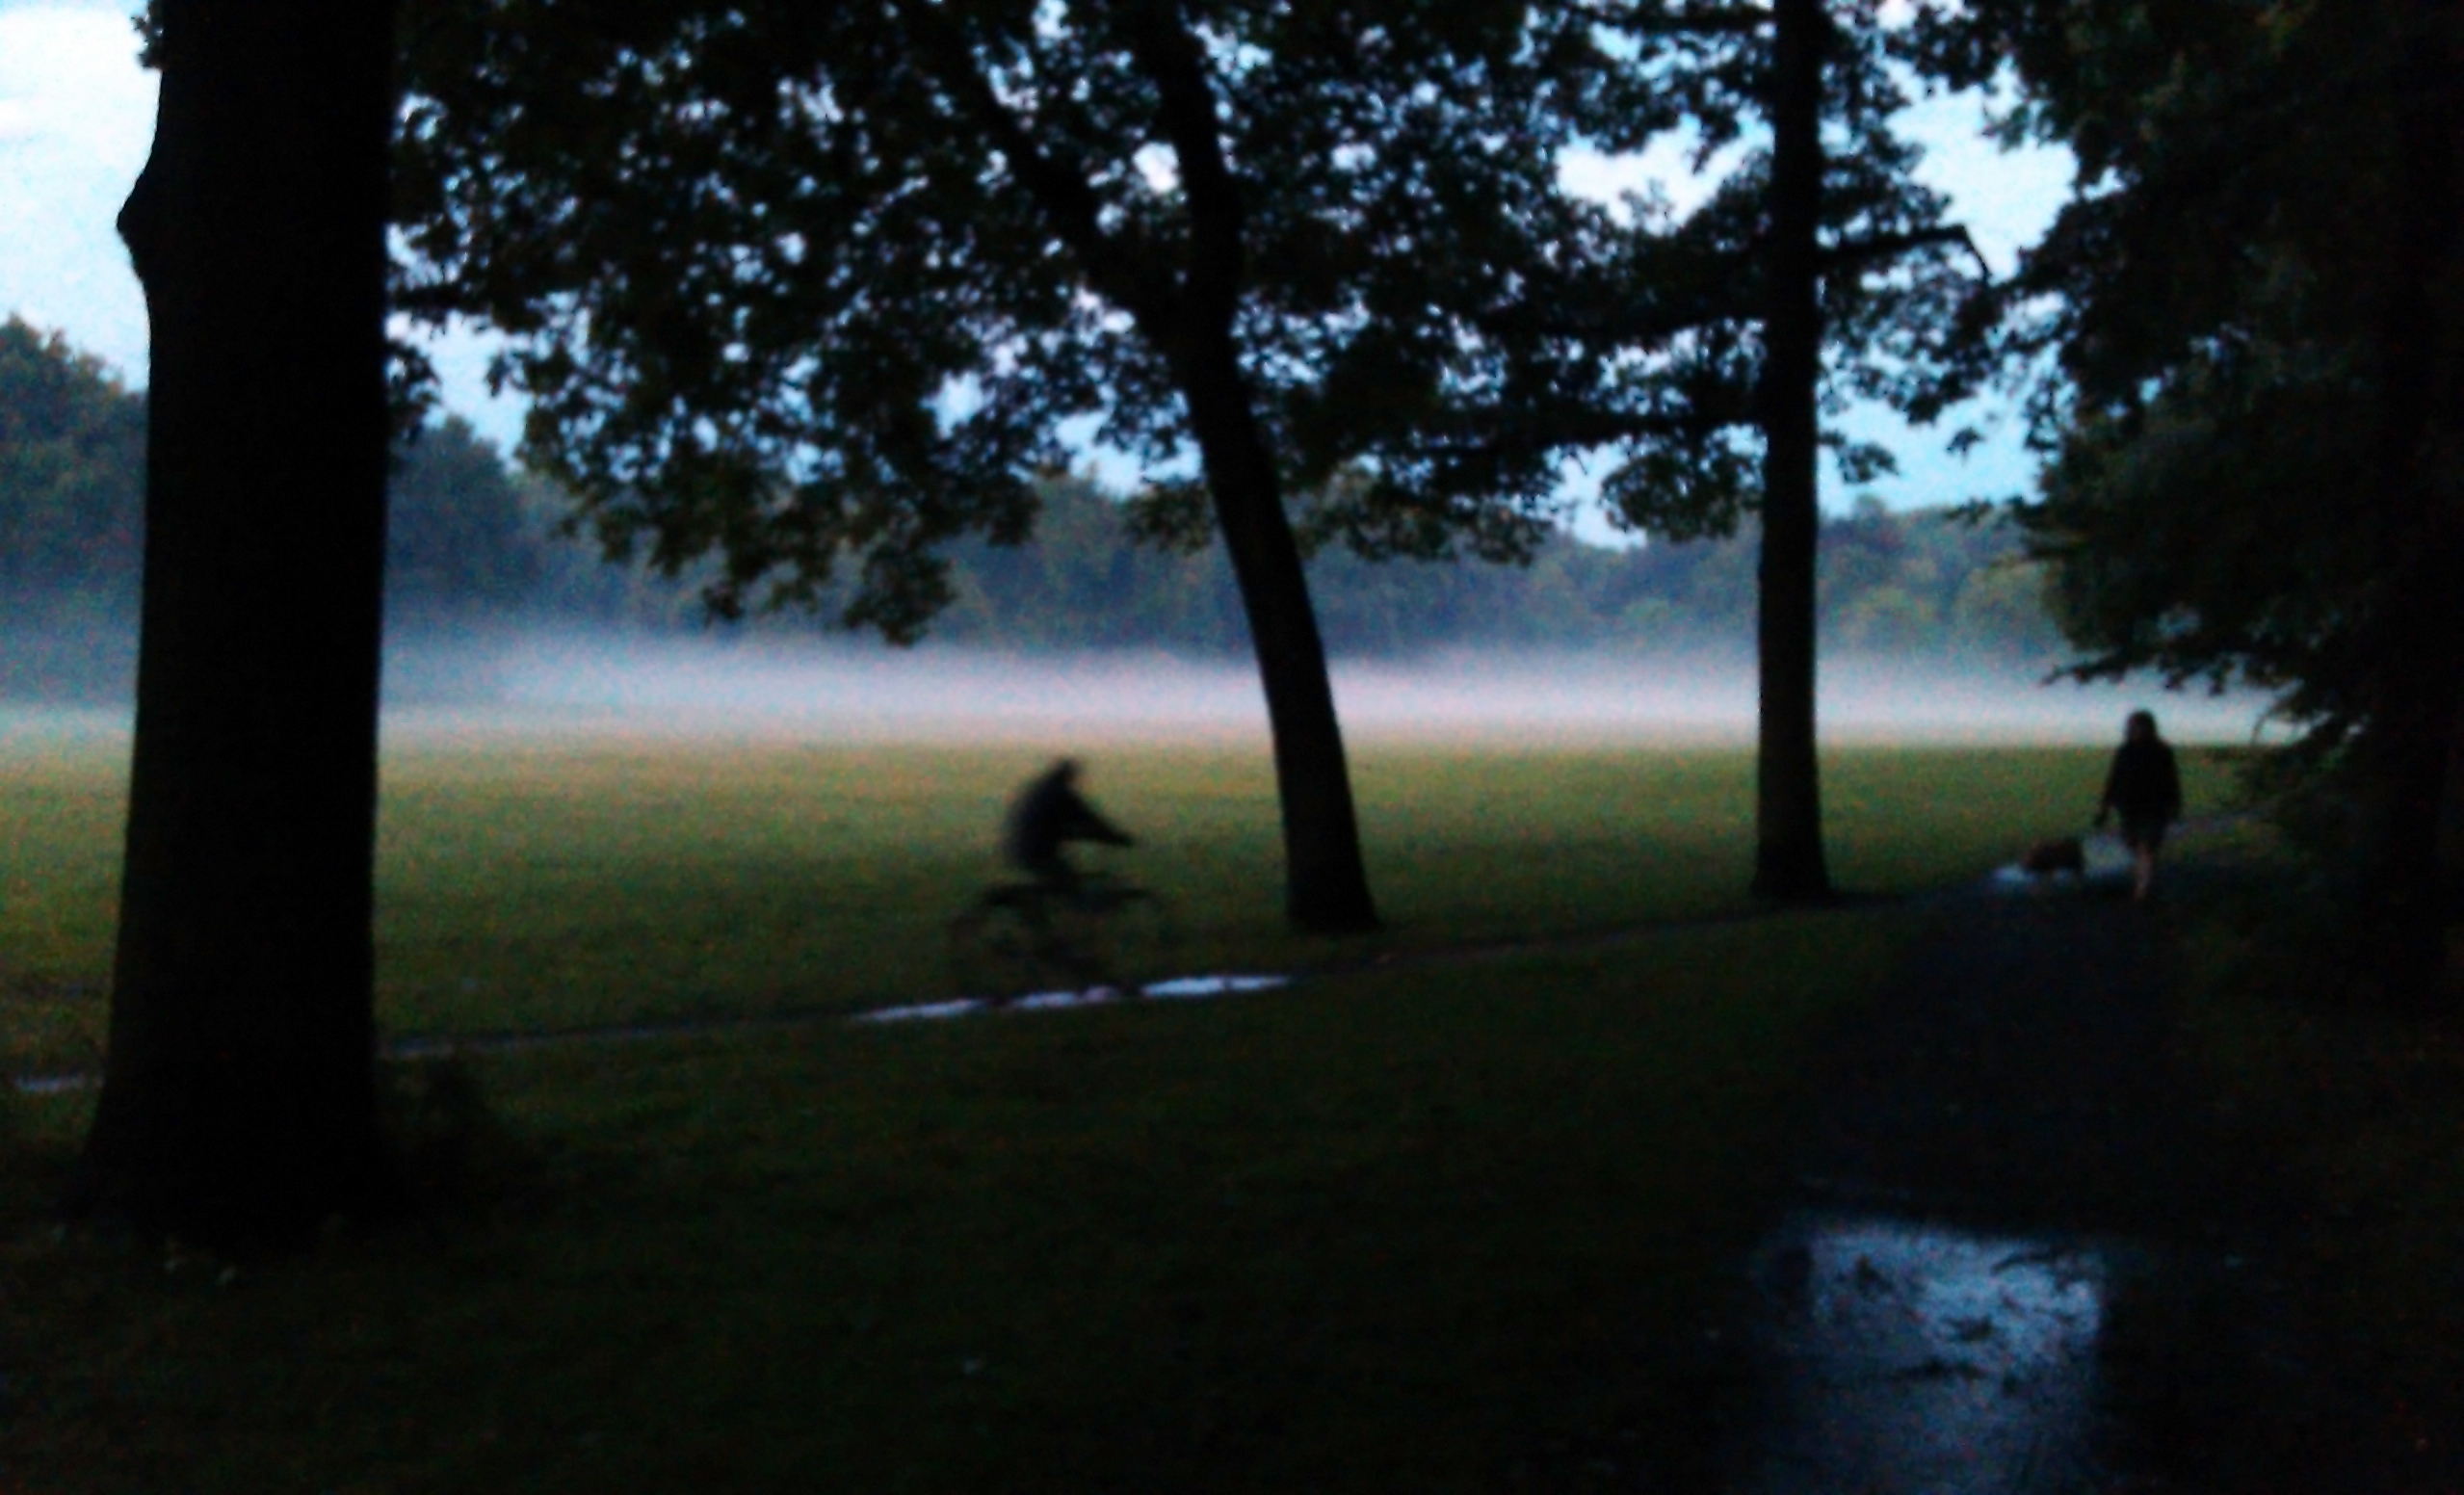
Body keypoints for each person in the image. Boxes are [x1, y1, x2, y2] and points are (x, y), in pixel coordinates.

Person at [1003, 757, 1135, 903]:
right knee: (1069, 882)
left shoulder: (1042, 789)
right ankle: (1076, 912)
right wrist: (1115, 837)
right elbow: (1087, 818)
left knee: (1058, 882)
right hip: (1035, 850)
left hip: (1020, 846)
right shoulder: (1060, 794)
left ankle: (1043, 906)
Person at [2095, 710, 2183, 904]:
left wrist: (2174, 805)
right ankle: (2143, 881)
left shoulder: (2161, 751)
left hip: (2155, 807)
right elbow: (2114, 779)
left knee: (2147, 847)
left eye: (2139, 726)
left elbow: (2171, 780)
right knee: (2133, 844)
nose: (2135, 730)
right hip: (2129, 808)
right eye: (2134, 726)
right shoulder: (2125, 751)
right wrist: (2105, 806)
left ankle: (2143, 890)